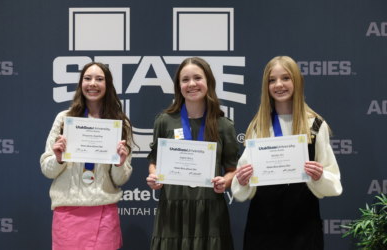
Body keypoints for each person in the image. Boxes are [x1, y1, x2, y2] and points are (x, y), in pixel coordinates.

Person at [232, 56, 342, 250]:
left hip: (303, 227)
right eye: (272, 80)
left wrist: (319, 176)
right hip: (262, 227)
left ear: (297, 81)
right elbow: (241, 184)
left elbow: (333, 182)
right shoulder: (258, 126)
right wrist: (242, 180)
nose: (279, 85)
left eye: (285, 78)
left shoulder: (315, 125)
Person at [146, 57, 240, 250]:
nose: (192, 84)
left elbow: (232, 169)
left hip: (210, 212)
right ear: (178, 85)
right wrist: (154, 175)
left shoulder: (223, 125)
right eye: (185, 79)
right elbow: (154, 162)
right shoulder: (164, 121)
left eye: (197, 77)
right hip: (172, 211)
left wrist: (226, 181)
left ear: (208, 82)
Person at [40, 62, 136, 250]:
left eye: (99, 79)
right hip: (68, 213)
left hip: (104, 212)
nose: (93, 83)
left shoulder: (120, 124)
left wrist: (120, 164)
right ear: (80, 83)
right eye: (87, 78)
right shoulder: (64, 119)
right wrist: (59, 159)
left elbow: (121, 179)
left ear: (107, 84)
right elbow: (47, 169)